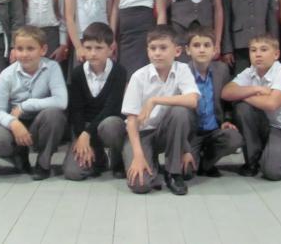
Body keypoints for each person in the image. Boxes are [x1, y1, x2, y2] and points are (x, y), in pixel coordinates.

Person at [121, 25, 200, 196]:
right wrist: (138, 155)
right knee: (140, 185)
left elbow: (192, 100)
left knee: (180, 111)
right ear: (147, 51)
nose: (157, 53)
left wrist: (154, 100)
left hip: (166, 133)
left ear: (177, 51)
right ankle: (148, 161)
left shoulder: (182, 69)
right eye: (153, 48)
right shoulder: (138, 77)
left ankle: (173, 173)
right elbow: (132, 121)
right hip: (141, 134)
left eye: (163, 48)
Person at [0, 26, 68, 180]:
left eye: (30, 49)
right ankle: (19, 155)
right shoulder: (7, 75)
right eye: (19, 49)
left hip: (41, 122)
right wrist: (13, 124)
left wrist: (25, 105)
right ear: (14, 50)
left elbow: (61, 101)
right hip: (15, 121)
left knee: (54, 115)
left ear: (43, 50)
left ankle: (43, 162)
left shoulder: (52, 68)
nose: (24, 54)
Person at [221, 34, 281, 181]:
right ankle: (252, 162)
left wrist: (242, 94)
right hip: (264, 125)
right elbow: (226, 92)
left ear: (276, 54)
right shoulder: (250, 71)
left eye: (264, 49)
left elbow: (272, 104)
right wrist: (255, 90)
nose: (257, 54)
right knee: (242, 109)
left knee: (273, 172)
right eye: (253, 50)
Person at [63, 22, 127, 181]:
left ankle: (117, 159)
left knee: (112, 124)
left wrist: (87, 134)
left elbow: (112, 108)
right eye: (88, 48)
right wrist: (81, 136)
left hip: (108, 124)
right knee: (73, 173)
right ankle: (98, 158)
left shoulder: (119, 72)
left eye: (99, 48)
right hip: (84, 127)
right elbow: (76, 110)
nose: (92, 53)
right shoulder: (77, 74)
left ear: (110, 49)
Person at [183, 27, 243, 178]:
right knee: (186, 173)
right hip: (192, 133)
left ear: (214, 50)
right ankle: (193, 159)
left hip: (214, 130)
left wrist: (227, 120)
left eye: (207, 45)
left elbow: (227, 101)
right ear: (188, 50)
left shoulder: (221, 70)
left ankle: (206, 164)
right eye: (196, 45)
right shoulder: (182, 72)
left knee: (234, 138)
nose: (202, 50)